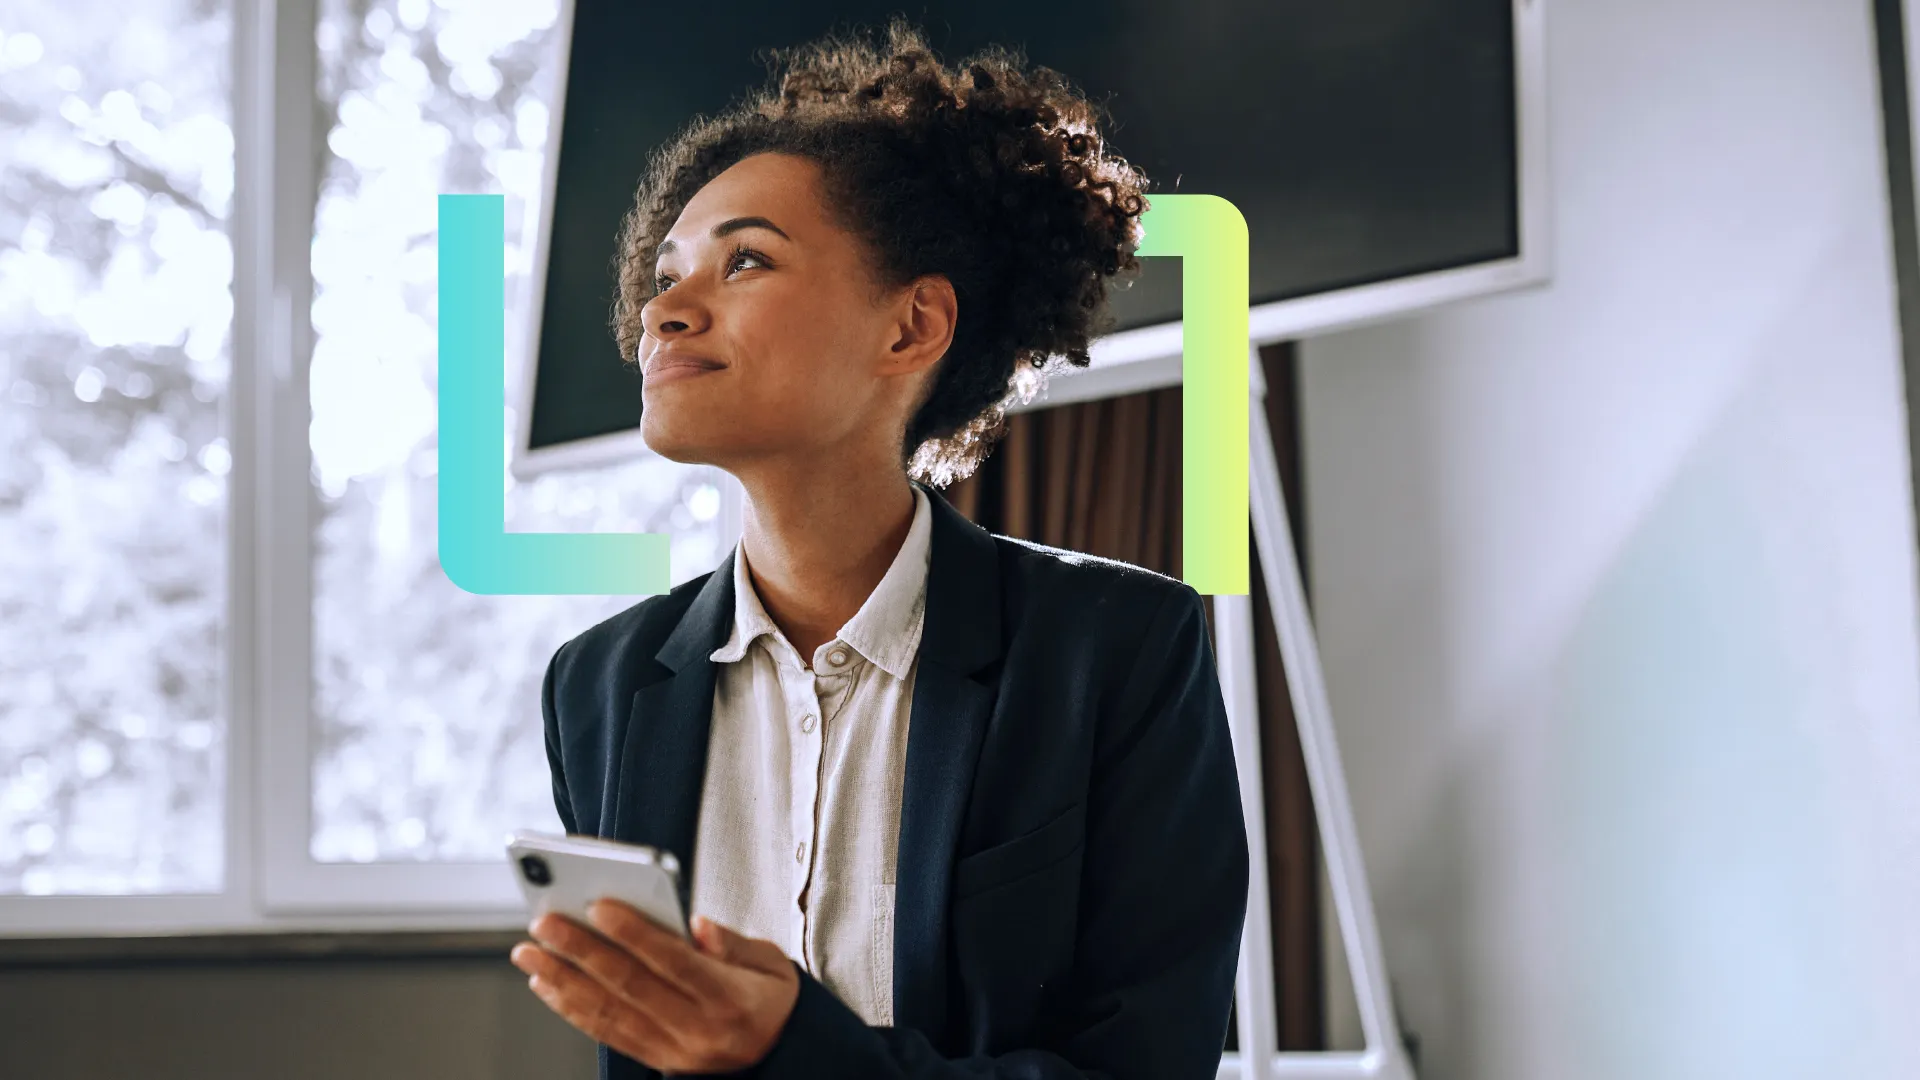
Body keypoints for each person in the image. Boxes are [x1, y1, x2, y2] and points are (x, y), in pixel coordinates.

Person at [510, 17, 1250, 1079]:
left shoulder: (1119, 649)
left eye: (746, 260)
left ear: (910, 329)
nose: (662, 312)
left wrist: (788, 1049)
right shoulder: (599, 687)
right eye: (664, 275)